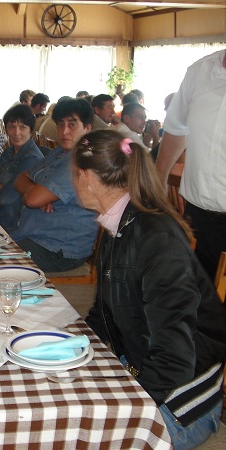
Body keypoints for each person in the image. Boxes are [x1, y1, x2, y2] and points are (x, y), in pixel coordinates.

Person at [74, 129, 226, 450]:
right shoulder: (118, 225)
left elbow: (175, 357)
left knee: (79, 438)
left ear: (86, 177)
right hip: (141, 366)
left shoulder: (157, 239)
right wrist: (69, 347)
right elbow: (103, 315)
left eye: (74, 173)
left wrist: (127, 407)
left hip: (183, 403)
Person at [156, 48, 226, 279]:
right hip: (198, 217)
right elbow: (176, 130)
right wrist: (158, 181)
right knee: (198, 294)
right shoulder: (200, 71)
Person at [9, 98, 98, 272]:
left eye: (72, 125)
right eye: (60, 125)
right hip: (36, 237)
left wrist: (37, 195)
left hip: (58, 250)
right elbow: (20, 178)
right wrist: (36, 191)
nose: (64, 131)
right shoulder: (59, 153)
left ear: (87, 128)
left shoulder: (81, 161)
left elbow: (32, 200)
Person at [0, 104, 44, 230]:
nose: (17, 133)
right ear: (6, 129)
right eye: (12, 127)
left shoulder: (31, 158)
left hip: (10, 224)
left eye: (23, 127)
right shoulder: (8, 153)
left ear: (31, 130)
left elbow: (5, 198)